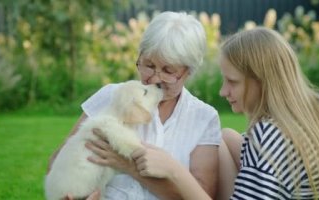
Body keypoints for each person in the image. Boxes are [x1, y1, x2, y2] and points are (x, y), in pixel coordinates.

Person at [122, 27, 319, 199]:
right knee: (227, 136)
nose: (223, 91)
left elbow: (267, 145)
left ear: (261, 82)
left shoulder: (268, 136)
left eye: (232, 82)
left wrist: (173, 170)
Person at [48, 11, 222, 199]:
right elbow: (60, 160)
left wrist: (129, 166)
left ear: (188, 71)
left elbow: (201, 195)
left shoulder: (204, 118)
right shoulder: (112, 96)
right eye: (148, 65)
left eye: (167, 70)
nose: (153, 78)